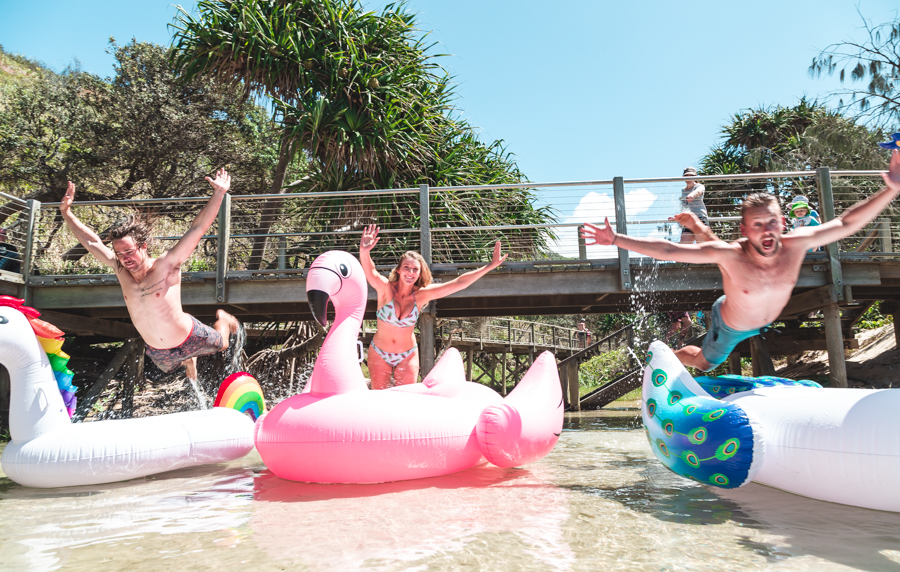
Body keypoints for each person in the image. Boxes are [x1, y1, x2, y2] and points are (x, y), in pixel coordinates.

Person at [581, 149, 900, 372]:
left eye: (772, 222)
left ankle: (699, 229)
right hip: (730, 324)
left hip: (764, 319)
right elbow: (670, 251)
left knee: (711, 242)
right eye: (757, 225)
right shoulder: (733, 254)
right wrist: (616, 239)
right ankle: (670, 356)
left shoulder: (798, 243)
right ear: (744, 230)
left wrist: (890, 190)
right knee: (706, 363)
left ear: (783, 223)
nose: (767, 230)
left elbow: (845, 222)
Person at [59, 169, 239, 380]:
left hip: (190, 336)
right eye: (119, 254)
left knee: (222, 343)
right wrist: (66, 213)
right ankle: (188, 360)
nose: (125, 258)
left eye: (129, 251)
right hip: (159, 351)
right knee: (168, 370)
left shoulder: (166, 264)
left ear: (143, 246)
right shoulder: (120, 269)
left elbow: (197, 228)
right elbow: (92, 242)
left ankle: (224, 320)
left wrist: (219, 193)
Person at [359, 224, 507, 389]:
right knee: (380, 397)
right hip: (379, 353)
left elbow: (459, 283)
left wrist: (490, 266)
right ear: (399, 270)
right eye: (406, 267)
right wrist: (364, 251)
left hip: (407, 355)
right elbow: (371, 272)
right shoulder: (385, 290)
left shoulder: (422, 295)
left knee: (407, 398)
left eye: (415, 269)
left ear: (419, 274)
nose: (410, 272)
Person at [677, 167, 709, 244]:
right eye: (686, 176)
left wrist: (692, 195)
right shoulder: (683, 190)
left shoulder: (699, 186)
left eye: (691, 175)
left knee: (703, 244)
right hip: (688, 219)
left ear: (695, 177)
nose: (688, 178)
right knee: (684, 244)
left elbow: (698, 191)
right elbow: (685, 205)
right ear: (683, 177)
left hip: (700, 217)